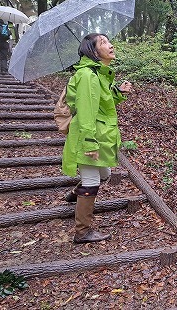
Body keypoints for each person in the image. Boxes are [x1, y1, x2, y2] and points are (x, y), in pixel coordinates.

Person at [61, 33, 132, 244]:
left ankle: (76, 194)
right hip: (89, 136)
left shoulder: (98, 74)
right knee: (93, 182)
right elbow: (85, 111)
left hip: (99, 135)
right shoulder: (88, 76)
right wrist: (89, 141)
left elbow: (102, 104)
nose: (110, 45)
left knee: (105, 174)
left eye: (108, 41)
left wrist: (118, 92)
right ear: (93, 51)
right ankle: (82, 232)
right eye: (103, 43)